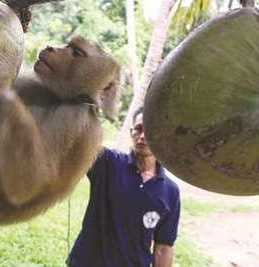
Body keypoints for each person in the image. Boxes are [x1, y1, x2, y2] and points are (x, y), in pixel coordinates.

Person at [67, 107, 181, 267]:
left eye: (151, 131)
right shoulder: (106, 162)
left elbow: (163, 248)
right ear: (131, 132)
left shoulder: (171, 191)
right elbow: (76, 137)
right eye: (139, 129)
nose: (143, 136)